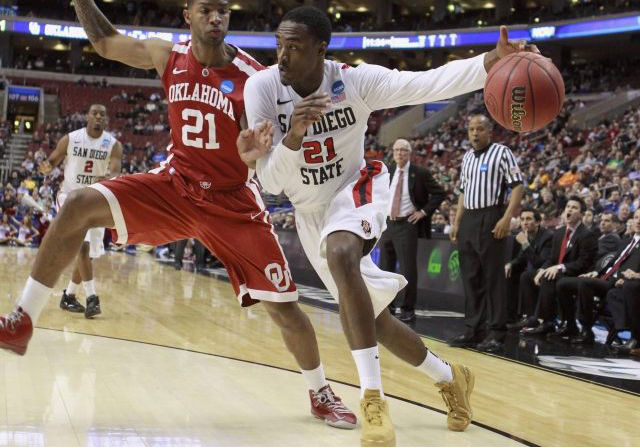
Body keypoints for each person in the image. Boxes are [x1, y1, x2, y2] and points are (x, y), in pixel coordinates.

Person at [0, 0, 357, 430]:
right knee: (76, 205)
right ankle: (23, 320)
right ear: (188, 13)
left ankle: (321, 391)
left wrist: (259, 150)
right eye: (207, 9)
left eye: (223, 11)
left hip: (232, 203)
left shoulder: (252, 79)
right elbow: (105, 42)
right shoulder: (167, 55)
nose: (216, 18)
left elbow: (267, 159)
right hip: (175, 187)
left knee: (284, 308)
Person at [239, 6, 535, 445]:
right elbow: (272, 183)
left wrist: (489, 63)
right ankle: (451, 377)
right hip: (308, 211)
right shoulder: (262, 88)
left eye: (294, 48)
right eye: (279, 46)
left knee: (342, 252)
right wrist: (295, 135)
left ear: (322, 51)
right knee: (372, 320)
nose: (281, 57)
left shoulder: (354, 82)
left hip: (353, 189)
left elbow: (425, 82)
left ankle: (372, 398)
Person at [449, 115, 525, 353]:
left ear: (489, 131)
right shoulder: (468, 157)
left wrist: (506, 218)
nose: (474, 133)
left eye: (479, 129)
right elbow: (463, 192)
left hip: (491, 216)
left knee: (493, 277)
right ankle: (474, 329)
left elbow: (518, 186)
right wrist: (457, 222)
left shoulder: (502, 152)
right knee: (471, 277)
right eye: (471, 129)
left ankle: (497, 332)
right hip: (469, 219)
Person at [40, 104, 123, 318]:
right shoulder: (71, 138)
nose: (98, 117)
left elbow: (115, 172)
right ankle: (92, 298)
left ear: (106, 120)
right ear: (87, 116)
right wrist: (46, 166)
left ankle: (68, 296)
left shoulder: (113, 145)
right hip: (68, 196)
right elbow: (52, 160)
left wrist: (108, 178)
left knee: (89, 255)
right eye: (94, 113)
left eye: (102, 115)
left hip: (93, 198)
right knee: (83, 249)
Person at [379, 138, 445, 322]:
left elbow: (440, 193)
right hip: (387, 224)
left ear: (410, 153)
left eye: (404, 150)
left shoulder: (420, 173)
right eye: (397, 150)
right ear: (393, 152)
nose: (400, 153)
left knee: (408, 269)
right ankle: (387, 307)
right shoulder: (387, 171)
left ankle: (408, 308)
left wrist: (423, 212)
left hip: (407, 225)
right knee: (385, 269)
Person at [555, 209, 640, 344]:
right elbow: (613, 263)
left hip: (617, 282)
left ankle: (586, 330)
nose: (638, 221)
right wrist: (597, 272)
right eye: (636, 217)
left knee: (585, 283)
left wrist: (633, 276)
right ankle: (570, 324)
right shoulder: (627, 241)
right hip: (604, 277)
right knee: (562, 283)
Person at [520, 197, 598, 336]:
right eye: (568, 206)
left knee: (550, 277)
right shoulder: (559, 232)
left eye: (574, 207)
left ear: (581, 214)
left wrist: (559, 267)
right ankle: (531, 318)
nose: (569, 209)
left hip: (576, 274)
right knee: (527, 276)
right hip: (558, 271)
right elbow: (551, 258)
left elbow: (583, 263)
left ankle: (547, 322)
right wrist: (543, 269)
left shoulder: (587, 234)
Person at [504, 207, 552, 330]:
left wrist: (525, 243)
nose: (525, 222)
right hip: (531, 270)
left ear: (537, 222)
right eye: (522, 219)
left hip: (544, 270)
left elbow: (539, 262)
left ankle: (531, 318)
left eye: (529, 219)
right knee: (508, 272)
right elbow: (521, 257)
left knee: (526, 276)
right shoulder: (526, 235)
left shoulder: (548, 236)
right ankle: (510, 316)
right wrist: (510, 264)